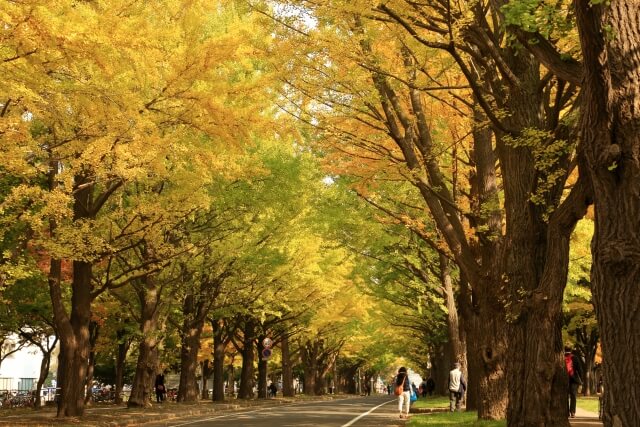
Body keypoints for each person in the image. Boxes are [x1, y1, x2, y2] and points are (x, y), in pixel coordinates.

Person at [564, 347, 583, 418]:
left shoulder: (561, 358)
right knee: (573, 396)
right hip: (574, 379)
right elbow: (580, 369)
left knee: (564, 396)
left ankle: (566, 412)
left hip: (564, 378)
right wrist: (581, 379)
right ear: (571, 351)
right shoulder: (575, 358)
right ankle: (572, 412)